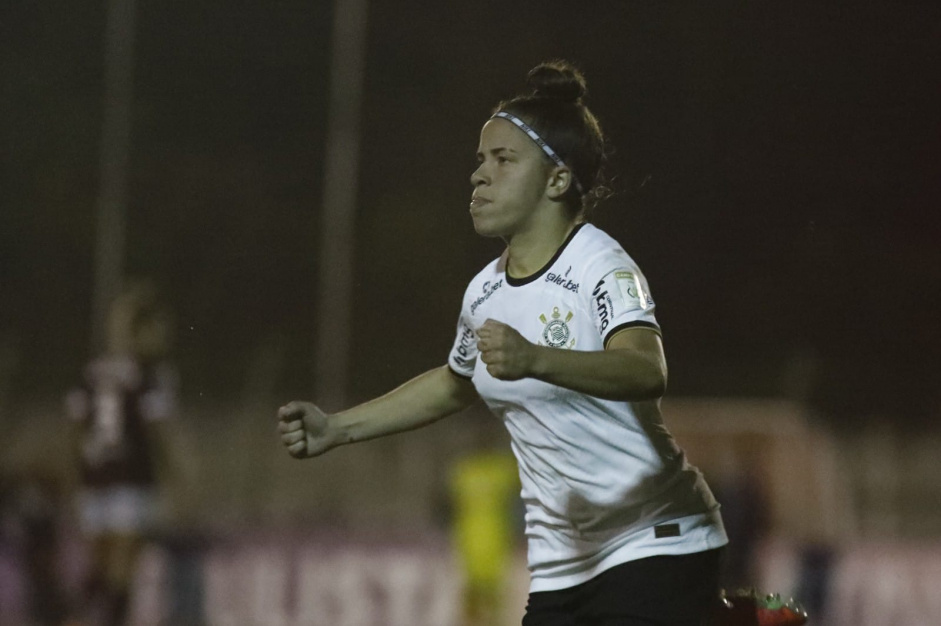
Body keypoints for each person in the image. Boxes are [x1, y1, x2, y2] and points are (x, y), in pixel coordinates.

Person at [279, 60, 729, 625]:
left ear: (557, 179)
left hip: (654, 544)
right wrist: (337, 428)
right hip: (563, 567)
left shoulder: (600, 265)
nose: (479, 176)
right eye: (479, 160)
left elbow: (645, 369)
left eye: (503, 159)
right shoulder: (485, 292)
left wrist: (536, 358)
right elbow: (453, 383)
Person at [64, 280, 181, 626]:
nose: (162, 337)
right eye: (157, 329)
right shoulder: (149, 374)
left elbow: (74, 428)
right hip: (132, 480)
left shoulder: (92, 371)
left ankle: (75, 619)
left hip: (94, 479)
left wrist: (76, 474)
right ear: (140, 331)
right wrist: (177, 477)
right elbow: (158, 431)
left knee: (99, 569)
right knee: (121, 572)